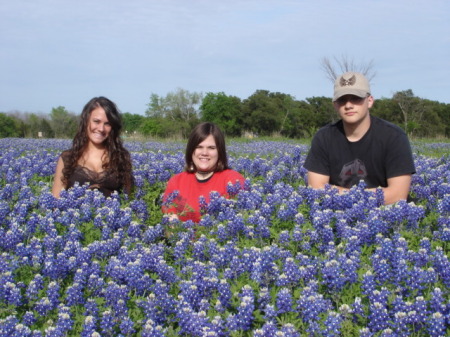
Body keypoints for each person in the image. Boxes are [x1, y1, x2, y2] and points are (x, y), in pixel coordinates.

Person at [304, 71, 415, 205]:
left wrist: (348, 196)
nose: (348, 105)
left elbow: (397, 195)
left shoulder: (394, 137)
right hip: (336, 217)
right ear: (335, 104)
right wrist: (361, 197)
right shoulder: (323, 137)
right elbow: (316, 190)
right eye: (342, 99)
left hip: (385, 216)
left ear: (369, 101)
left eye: (356, 98)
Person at [162, 122, 245, 223]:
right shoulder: (176, 182)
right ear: (191, 150)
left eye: (211, 148)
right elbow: (169, 223)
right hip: (182, 238)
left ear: (220, 151)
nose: (204, 153)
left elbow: (241, 218)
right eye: (199, 147)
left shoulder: (234, 180)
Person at [52, 96, 134, 198]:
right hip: (75, 212)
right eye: (96, 121)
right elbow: (56, 199)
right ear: (86, 121)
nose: (101, 128)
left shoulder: (121, 157)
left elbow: (128, 198)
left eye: (107, 124)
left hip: (110, 213)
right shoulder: (68, 158)